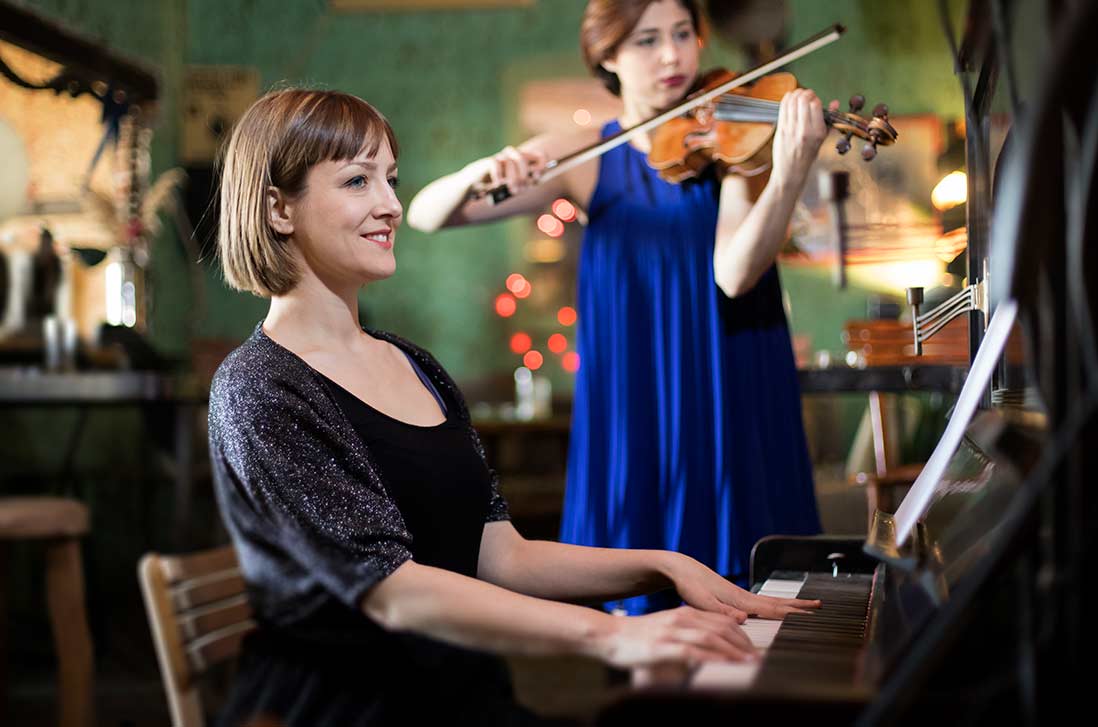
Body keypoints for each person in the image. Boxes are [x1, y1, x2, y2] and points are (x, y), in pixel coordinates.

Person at [208, 87, 818, 727]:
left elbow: (501, 556)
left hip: (463, 697)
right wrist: (615, 635)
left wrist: (663, 565)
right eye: (358, 181)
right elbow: (392, 593)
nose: (390, 205)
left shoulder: (415, 364)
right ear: (278, 208)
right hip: (348, 708)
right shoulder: (259, 387)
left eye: (391, 179)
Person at [408, 0, 827, 615]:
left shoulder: (733, 145)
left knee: (754, 574)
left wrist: (789, 171)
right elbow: (426, 214)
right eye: (646, 41)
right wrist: (479, 171)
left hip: (730, 369)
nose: (672, 55)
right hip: (642, 388)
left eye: (683, 34)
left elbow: (735, 275)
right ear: (606, 57)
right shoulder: (587, 157)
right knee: (648, 584)